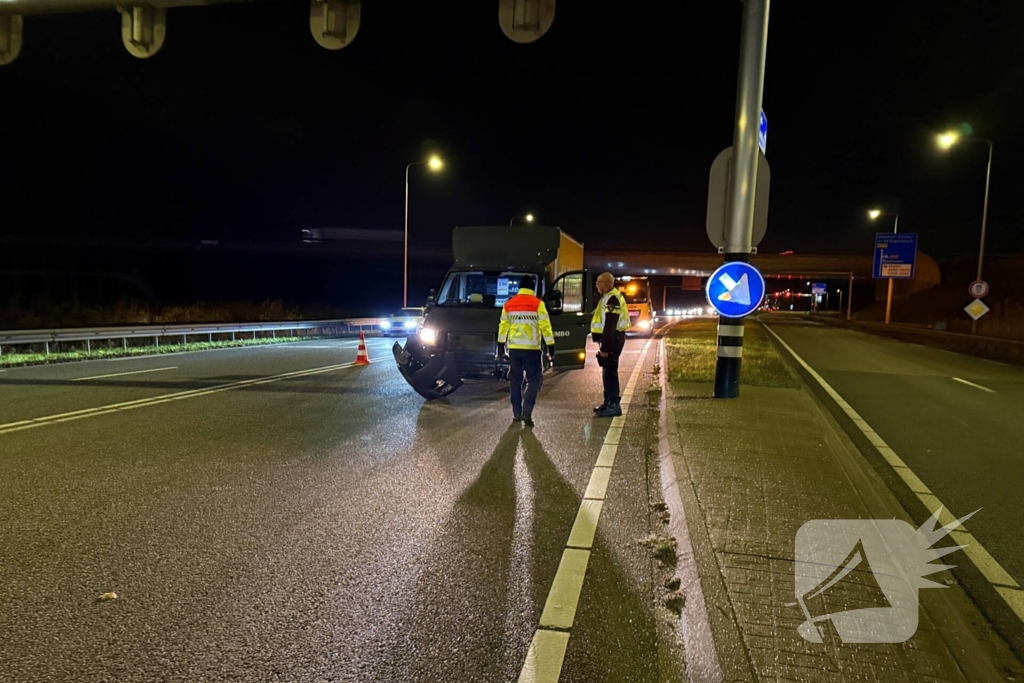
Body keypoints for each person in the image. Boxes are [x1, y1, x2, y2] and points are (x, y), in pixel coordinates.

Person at [497, 275, 556, 426]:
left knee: (515, 381)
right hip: (532, 350)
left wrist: (500, 345)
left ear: (520, 287)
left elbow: (503, 326)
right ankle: (527, 411)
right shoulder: (538, 304)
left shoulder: (509, 304)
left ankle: (517, 412)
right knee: (534, 380)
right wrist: (551, 346)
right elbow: (546, 327)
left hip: (515, 349)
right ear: (532, 287)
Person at [591, 272, 630, 417]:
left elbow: (610, 325)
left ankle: (614, 404)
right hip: (612, 339)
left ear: (605, 284)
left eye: (598, 282)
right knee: (607, 371)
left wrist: (605, 348)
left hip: (613, 340)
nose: (596, 285)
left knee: (610, 372)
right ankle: (608, 402)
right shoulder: (608, 297)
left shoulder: (612, 298)